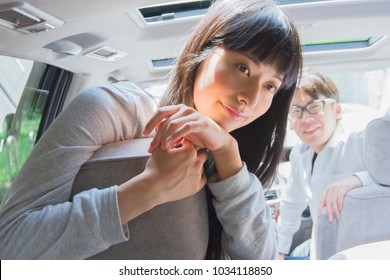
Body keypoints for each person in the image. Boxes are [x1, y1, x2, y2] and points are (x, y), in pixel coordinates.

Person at [0, 0, 302, 260]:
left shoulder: (237, 161)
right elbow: (10, 247)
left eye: (270, 86)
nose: (250, 98)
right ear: (203, 51)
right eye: (243, 68)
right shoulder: (110, 111)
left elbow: (260, 263)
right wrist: (150, 188)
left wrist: (227, 154)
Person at [277, 68, 381, 260]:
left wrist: (357, 179)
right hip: (321, 245)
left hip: (360, 252)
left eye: (315, 107)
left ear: (337, 110)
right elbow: (291, 205)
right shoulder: (300, 154)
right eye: (296, 111)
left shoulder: (360, 141)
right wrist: (279, 253)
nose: (306, 119)